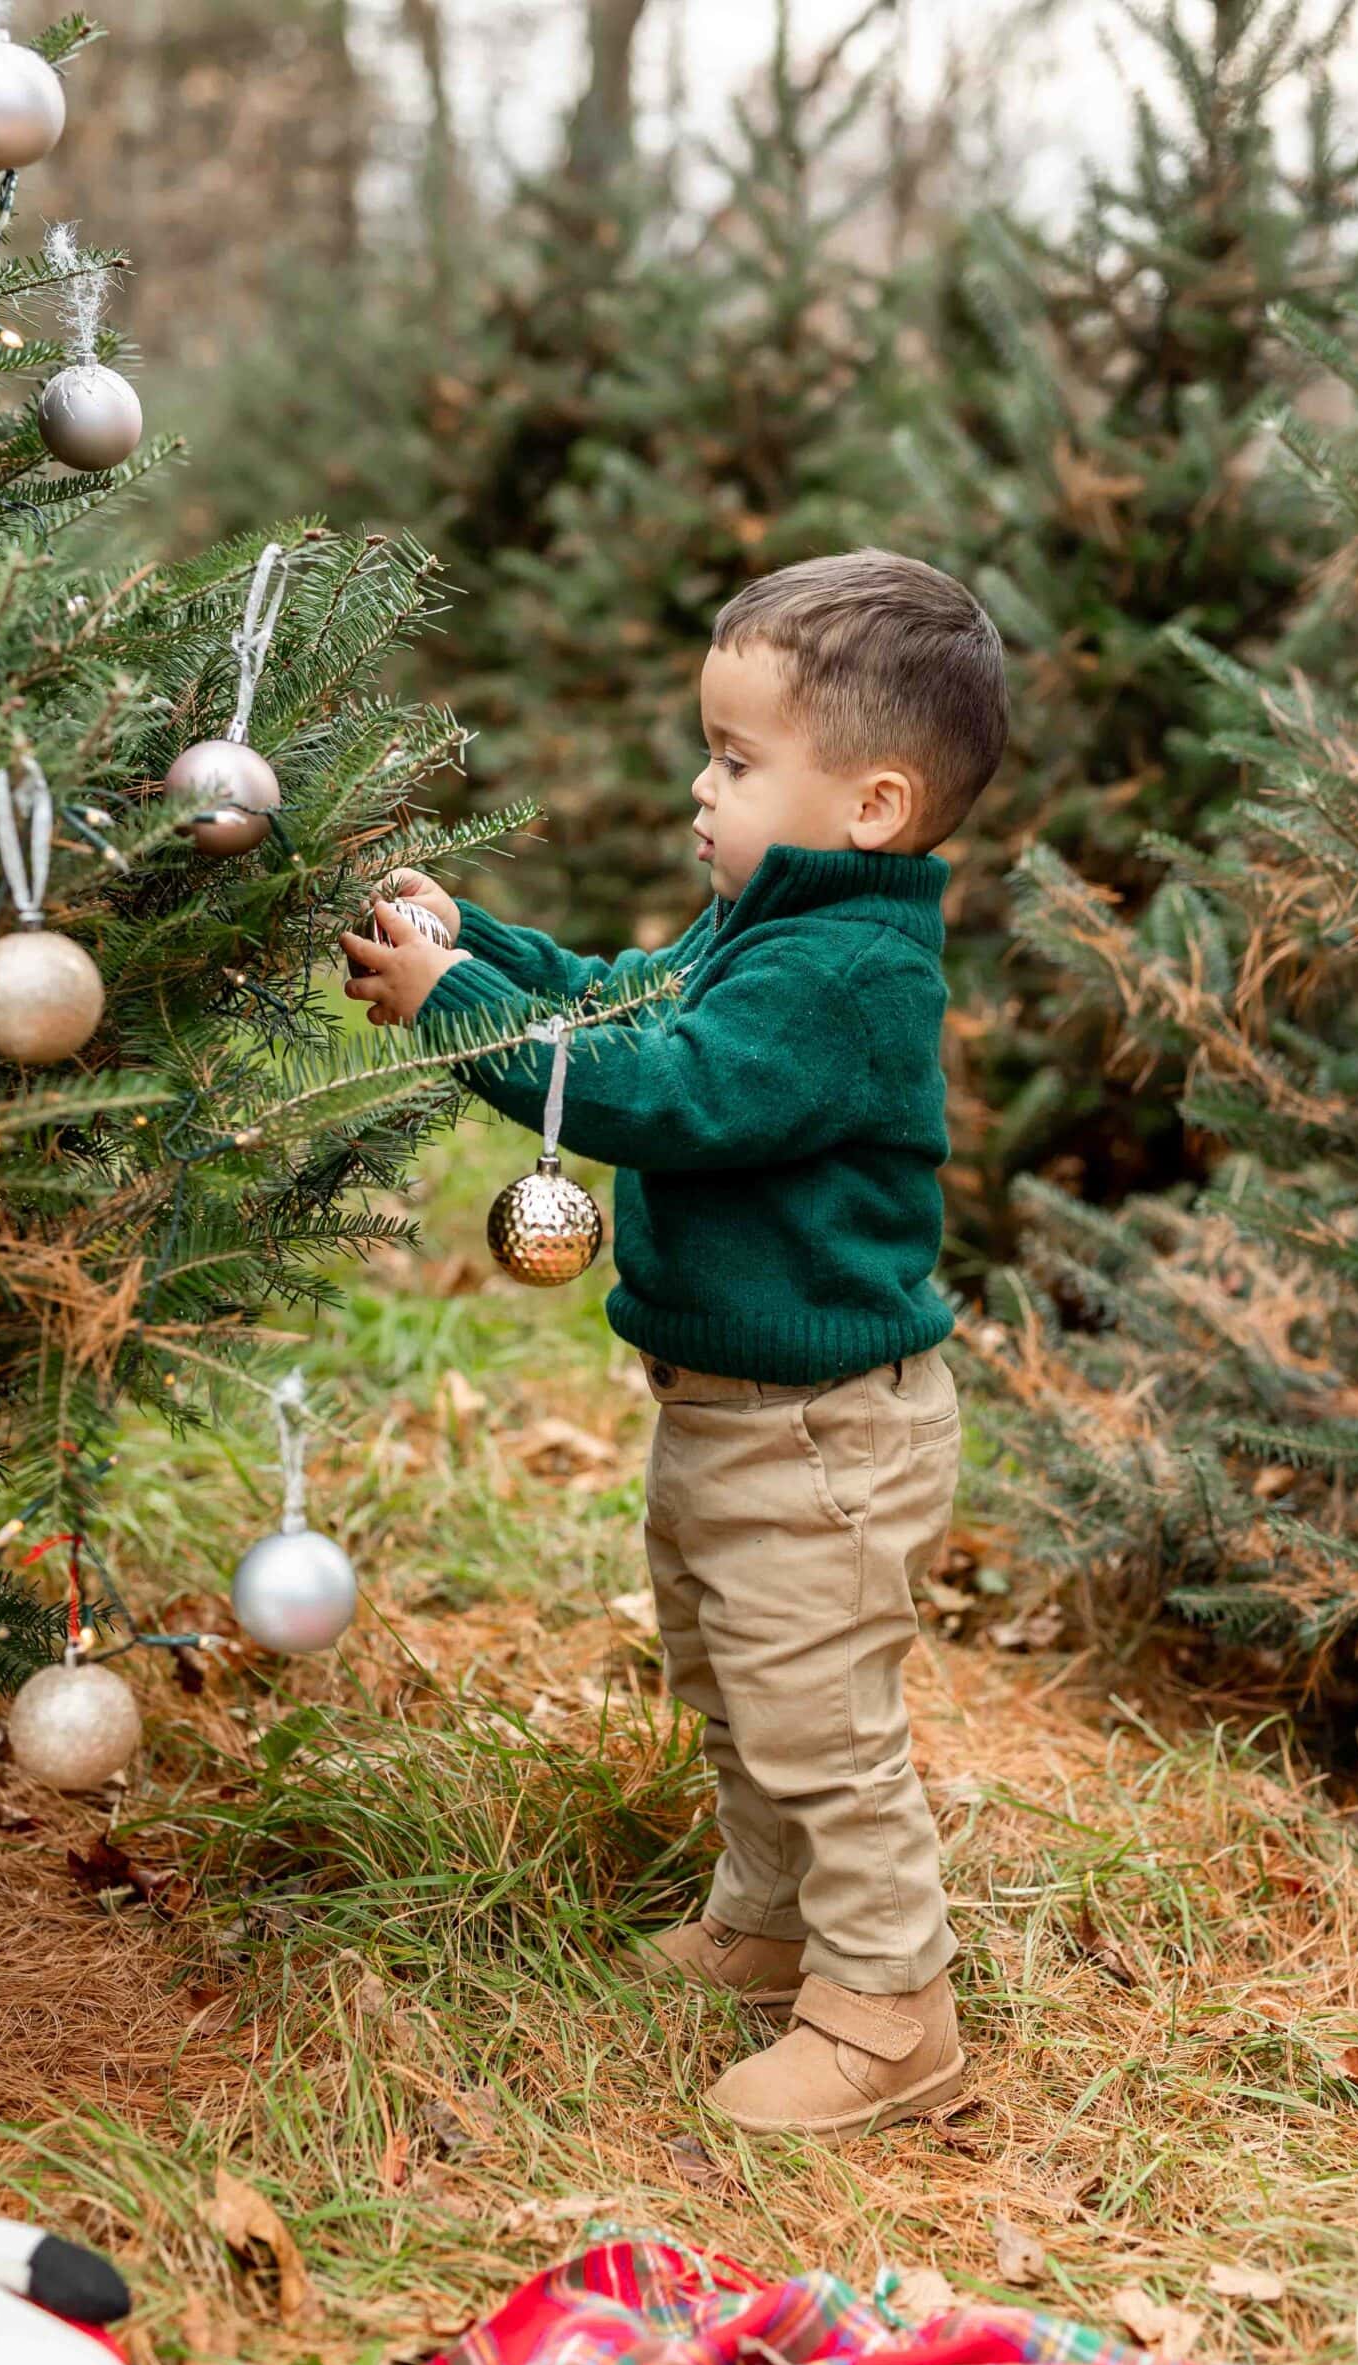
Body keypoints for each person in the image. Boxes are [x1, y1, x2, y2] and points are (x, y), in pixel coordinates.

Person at [340, 547, 1008, 2138]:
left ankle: (889, 2009)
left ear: (872, 804)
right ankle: (770, 1929)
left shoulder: (843, 970)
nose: (699, 792)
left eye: (733, 758)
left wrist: (448, 1013)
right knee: (737, 1683)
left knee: (821, 1721)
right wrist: (474, 947)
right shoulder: (762, 924)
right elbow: (614, 1003)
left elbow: (667, 1094)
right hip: (733, 1413)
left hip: (822, 1434)